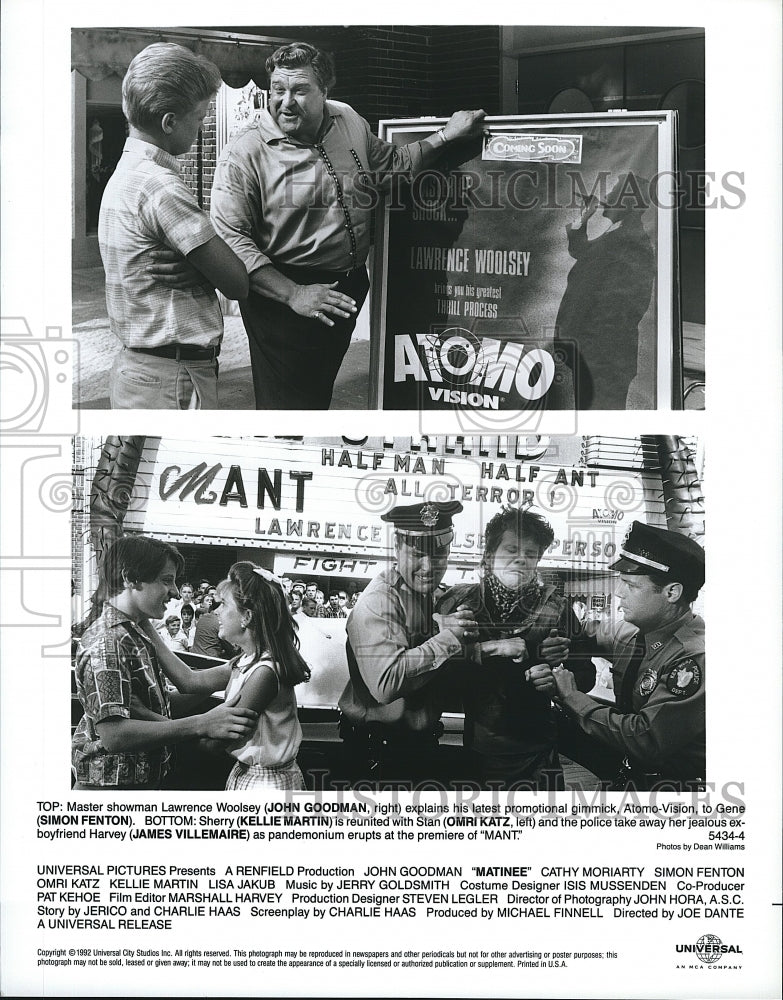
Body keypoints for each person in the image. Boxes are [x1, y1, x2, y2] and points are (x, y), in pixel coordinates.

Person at [210, 41, 486, 409]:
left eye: (300, 90)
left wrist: (446, 136)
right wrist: (293, 293)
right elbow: (229, 239)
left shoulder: (348, 119)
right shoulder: (245, 151)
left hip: (347, 288)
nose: (286, 102)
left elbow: (390, 167)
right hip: (286, 298)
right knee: (288, 406)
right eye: (278, 90)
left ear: (325, 91)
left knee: (316, 394)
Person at [99, 42, 249, 409]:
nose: (202, 126)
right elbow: (237, 281)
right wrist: (206, 271)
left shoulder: (126, 174)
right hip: (173, 378)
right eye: (199, 119)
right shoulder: (161, 186)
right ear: (169, 122)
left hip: (139, 370)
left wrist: (198, 266)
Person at [72, 536, 258, 789]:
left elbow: (173, 696)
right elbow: (114, 735)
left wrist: (247, 665)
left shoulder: (135, 630)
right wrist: (201, 723)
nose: (174, 591)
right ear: (130, 578)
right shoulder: (109, 641)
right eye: (166, 580)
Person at [436, 507, 596, 790]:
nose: (521, 559)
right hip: (477, 752)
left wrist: (557, 677)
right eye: (511, 549)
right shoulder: (459, 602)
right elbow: (435, 675)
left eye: (531, 554)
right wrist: (484, 649)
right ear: (489, 555)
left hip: (538, 756)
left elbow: (585, 676)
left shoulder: (557, 608)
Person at [552, 521, 705, 790]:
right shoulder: (632, 633)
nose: (619, 593)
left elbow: (646, 739)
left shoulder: (693, 658)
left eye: (631, 585)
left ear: (672, 592)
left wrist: (573, 698)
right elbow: (586, 632)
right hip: (630, 777)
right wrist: (550, 632)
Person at [339, 501, 478, 787]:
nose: (429, 567)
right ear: (397, 547)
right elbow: (386, 684)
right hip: (377, 757)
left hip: (419, 749)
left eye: (439, 553)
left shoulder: (434, 596)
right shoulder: (379, 601)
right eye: (418, 554)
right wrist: (449, 638)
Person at [554, 173, 655, 409]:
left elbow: (625, 306)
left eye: (614, 193)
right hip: (594, 356)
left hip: (603, 360)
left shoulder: (632, 243)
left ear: (627, 203)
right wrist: (584, 218)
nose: (607, 197)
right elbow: (582, 253)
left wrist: (583, 341)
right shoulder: (617, 235)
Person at [208, 563, 311, 789]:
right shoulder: (245, 661)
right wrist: (143, 624)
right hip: (251, 775)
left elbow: (216, 742)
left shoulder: (264, 672)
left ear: (246, 616)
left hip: (265, 784)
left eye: (223, 604)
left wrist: (164, 733)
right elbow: (189, 680)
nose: (216, 611)